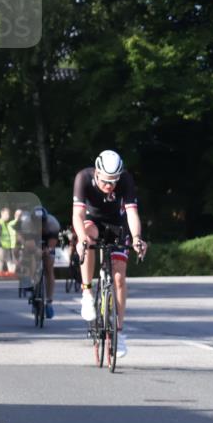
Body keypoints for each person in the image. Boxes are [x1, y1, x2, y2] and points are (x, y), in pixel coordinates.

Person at [72, 150, 147, 358]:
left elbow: (132, 212)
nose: (109, 186)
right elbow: (77, 215)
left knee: (119, 277)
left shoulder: (125, 180)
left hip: (117, 225)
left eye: (114, 181)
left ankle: (119, 333)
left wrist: (137, 237)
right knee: (87, 237)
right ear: (97, 173)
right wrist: (81, 239)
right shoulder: (83, 178)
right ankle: (87, 293)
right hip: (92, 222)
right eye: (105, 181)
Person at [15, 205, 61, 319]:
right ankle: (31, 279)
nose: (39, 225)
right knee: (30, 252)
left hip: (47, 237)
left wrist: (47, 251)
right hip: (31, 238)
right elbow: (29, 244)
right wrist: (36, 250)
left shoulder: (52, 224)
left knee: (49, 268)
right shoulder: (27, 223)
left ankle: (49, 301)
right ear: (32, 221)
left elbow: (52, 244)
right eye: (36, 223)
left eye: (42, 223)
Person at [0, 207, 18, 273]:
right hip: (0, 247)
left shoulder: (6, 223)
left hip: (6, 247)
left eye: (8, 214)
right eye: (6, 214)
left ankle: (11, 275)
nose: (8, 216)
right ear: (2, 214)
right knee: (0, 261)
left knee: (9, 261)